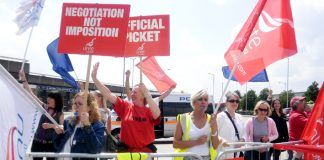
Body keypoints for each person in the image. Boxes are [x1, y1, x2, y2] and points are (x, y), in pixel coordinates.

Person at [91, 62, 161, 153]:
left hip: (145, 153)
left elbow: (157, 115)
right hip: (126, 152)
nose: (132, 94)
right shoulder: (126, 106)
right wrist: (94, 78)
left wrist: (148, 94)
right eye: (132, 92)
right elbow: (108, 94)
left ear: (143, 95)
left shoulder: (149, 110)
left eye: (135, 92)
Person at [19, 70, 64, 160]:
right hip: (37, 142)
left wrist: (51, 126)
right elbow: (32, 95)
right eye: (49, 97)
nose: (48, 99)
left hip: (51, 144)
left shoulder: (60, 113)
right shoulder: (44, 107)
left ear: (57, 100)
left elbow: (61, 129)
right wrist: (24, 79)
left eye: (51, 98)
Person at [173, 90, 226, 160]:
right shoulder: (183, 119)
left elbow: (215, 146)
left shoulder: (212, 119)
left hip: (207, 158)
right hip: (188, 158)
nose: (203, 102)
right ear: (194, 102)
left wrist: (214, 128)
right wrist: (197, 142)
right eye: (200, 99)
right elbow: (176, 144)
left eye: (206, 100)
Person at [53, 92, 105, 160]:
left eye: (80, 104)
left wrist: (87, 126)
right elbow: (57, 145)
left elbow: (94, 149)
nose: (76, 106)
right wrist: (57, 134)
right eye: (75, 103)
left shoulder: (98, 125)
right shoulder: (68, 121)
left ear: (89, 107)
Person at [217, 91, 245, 159]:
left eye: (237, 101)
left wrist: (243, 140)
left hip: (237, 154)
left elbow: (244, 134)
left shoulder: (240, 117)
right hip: (224, 154)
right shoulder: (220, 116)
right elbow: (214, 134)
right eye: (232, 101)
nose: (235, 103)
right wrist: (222, 140)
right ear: (226, 102)